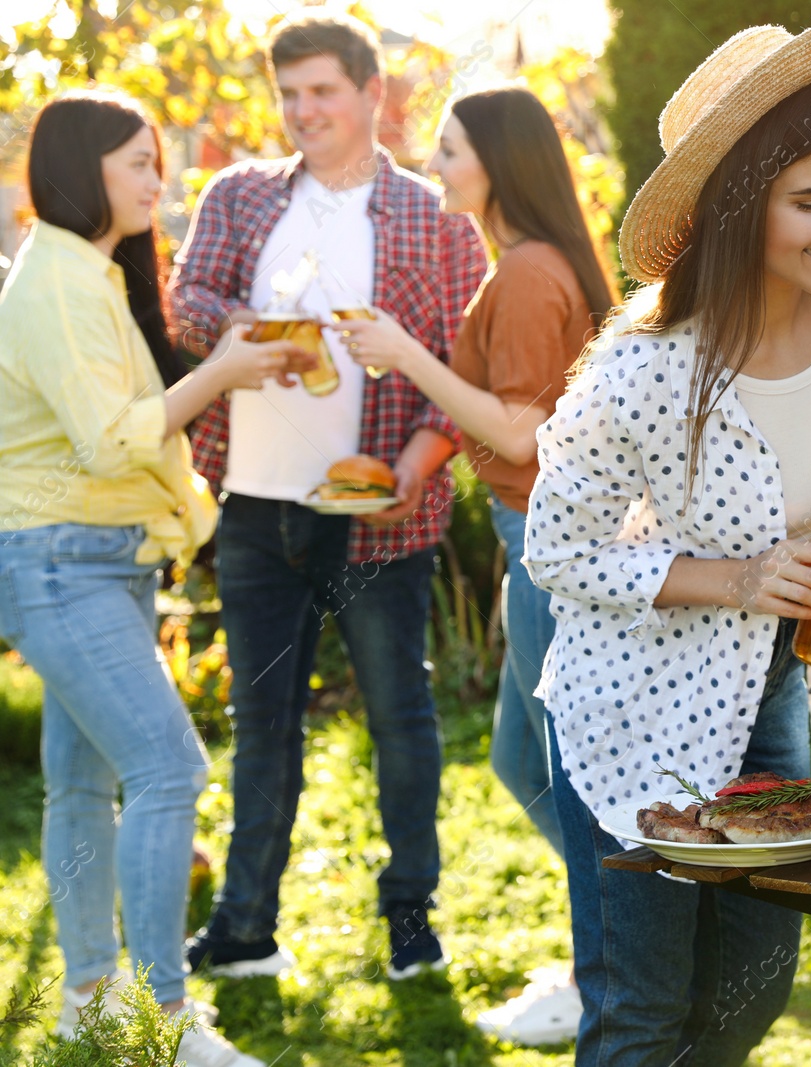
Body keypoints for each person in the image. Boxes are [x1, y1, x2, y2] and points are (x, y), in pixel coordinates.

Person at [523, 9, 811, 1064]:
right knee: (645, 1008)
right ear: (741, 208)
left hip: (773, 690)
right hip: (637, 709)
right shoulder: (643, 371)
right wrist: (741, 573)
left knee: (751, 992)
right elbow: (557, 551)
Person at [0, 89, 318, 1067]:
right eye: (139, 160)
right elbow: (109, 441)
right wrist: (219, 371)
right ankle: (163, 1021)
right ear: (81, 166)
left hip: (99, 560)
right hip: (61, 564)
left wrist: (226, 369)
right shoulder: (54, 281)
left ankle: (92, 998)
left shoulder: (85, 273)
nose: (158, 177)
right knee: (169, 769)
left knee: (83, 783)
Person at [169, 8, 487, 981]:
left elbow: (463, 370)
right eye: (289, 93)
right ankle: (245, 924)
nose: (302, 111)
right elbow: (187, 303)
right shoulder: (238, 195)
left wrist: (414, 472)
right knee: (264, 721)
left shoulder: (434, 221)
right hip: (258, 506)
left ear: (371, 95)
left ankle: (409, 916)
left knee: (399, 715)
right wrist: (251, 335)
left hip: (379, 515)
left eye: (322, 92)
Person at [338, 84, 616, 1045]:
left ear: (497, 160)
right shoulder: (523, 266)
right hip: (526, 539)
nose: (436, 164)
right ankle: (619, 937)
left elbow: (520, 429)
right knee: (519, 759)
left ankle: (612, 964)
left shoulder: (532, 273)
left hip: (549, 541)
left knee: (565, 776)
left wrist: (403, 351)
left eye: (450, 148)